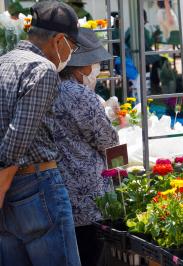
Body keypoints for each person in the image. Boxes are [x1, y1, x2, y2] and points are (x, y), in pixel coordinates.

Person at [0, 1, 83, 265]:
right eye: (73, 46)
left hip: (9, 190)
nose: (72, 53)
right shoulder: (42, 69)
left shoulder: (3, 63)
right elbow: (17, 140)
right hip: (34, 185)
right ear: (59, 40)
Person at [55, 27, 119, 266]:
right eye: (93, 64)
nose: (96, 70)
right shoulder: (80, 95)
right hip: (87, 198)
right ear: (81, 66)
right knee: (90, 254)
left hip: (58, 193)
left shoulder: (47, 87)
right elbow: (108, 141)